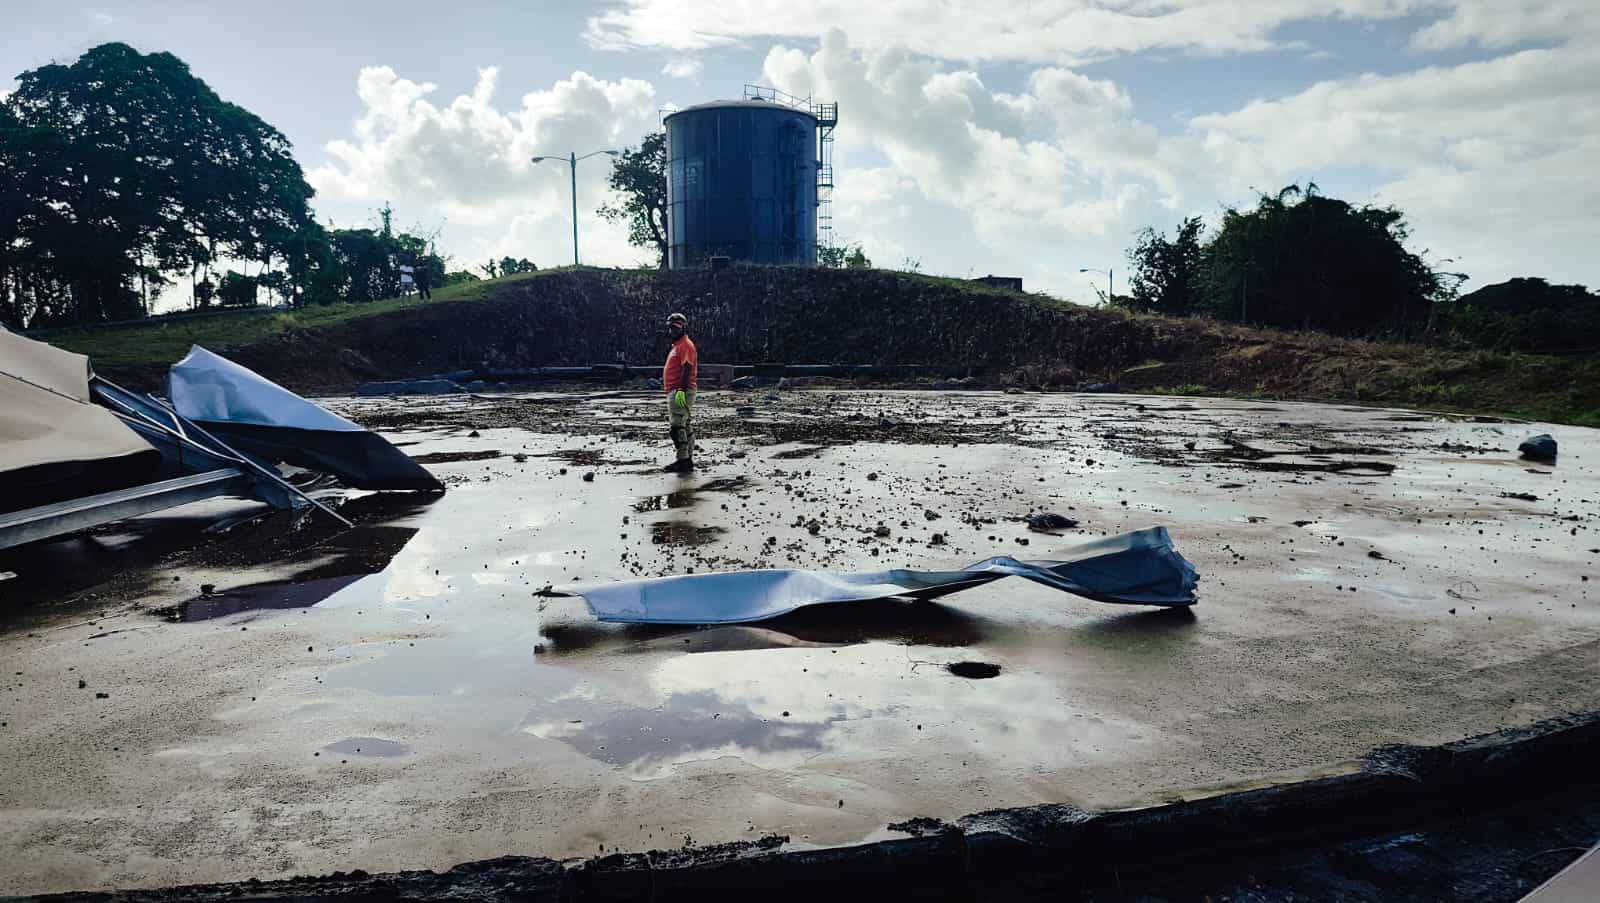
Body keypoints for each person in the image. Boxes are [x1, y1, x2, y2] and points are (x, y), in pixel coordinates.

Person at [661, 312, 698, 472]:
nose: (672, 331)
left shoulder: (686, 345)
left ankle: (682, 460)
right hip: (676, 390)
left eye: (675, 328)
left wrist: (681, 390)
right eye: (670, 328)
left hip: (680, 390)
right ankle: (687, 459)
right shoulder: (678, 346)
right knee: (685, 424)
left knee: (677, 426)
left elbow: (687, 367)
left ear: (683, 327)